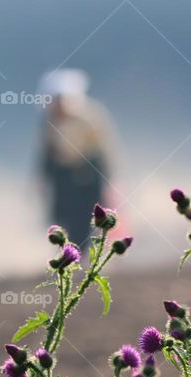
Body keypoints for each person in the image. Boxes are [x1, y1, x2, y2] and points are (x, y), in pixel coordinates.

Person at [37, 69, 118, 245]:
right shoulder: (49, 121)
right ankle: (70, 253)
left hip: (89, 175)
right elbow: (46, 152)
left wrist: (109, 179)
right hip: (63, 178)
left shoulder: (91, 118)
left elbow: (104, 150)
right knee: (63, 218)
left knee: (88, 217)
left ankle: (84, 256)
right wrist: (41, 179)